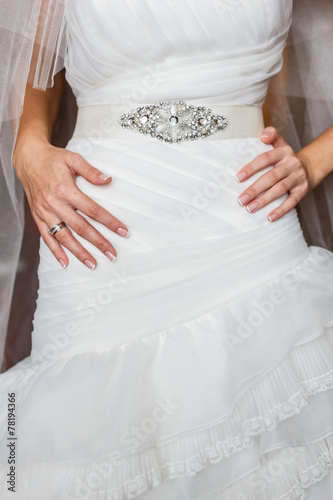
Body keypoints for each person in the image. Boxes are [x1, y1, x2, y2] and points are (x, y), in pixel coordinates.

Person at [0, 1, 333, 499]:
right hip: (99, 229)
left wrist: (315, 160)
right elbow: (38, 59)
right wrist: (28, 148)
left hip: (246, 224)